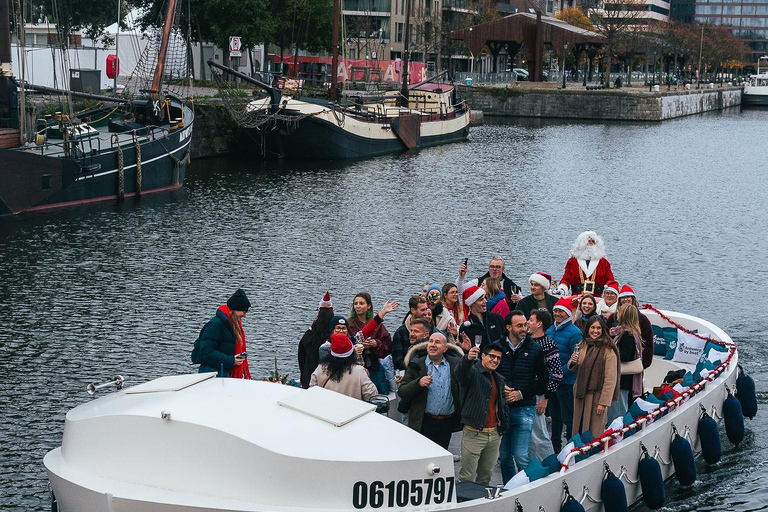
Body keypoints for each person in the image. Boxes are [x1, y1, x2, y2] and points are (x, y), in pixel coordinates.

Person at [496, 311, 548, 483]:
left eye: (525, 325)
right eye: (519, 326)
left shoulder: (535, 349)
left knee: (521, 456)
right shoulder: (497, 348)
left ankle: (529, 487)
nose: (524, 329)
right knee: (504, 456)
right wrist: (501, 387)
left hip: (524, 407)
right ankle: (510, 487)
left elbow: (543, 380)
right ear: (508, 327)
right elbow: (488, 374)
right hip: (502, 410)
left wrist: (521, 394)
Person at [398, 332, 464, 448]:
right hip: (424, 421)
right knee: (423, 455)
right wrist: (418, 383)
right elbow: (402, 392)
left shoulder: (454, 364)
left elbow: (471, 373)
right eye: (431, 341)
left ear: (445, 348)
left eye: (437, 342)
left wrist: (469, 354)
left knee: (441, 455)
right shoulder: (417, 364)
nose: (433, 345)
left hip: (446, 422)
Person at [456, 342, 509, 486]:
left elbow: (501, 406)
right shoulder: (473, 372)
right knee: (466, 477)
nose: (495, 360)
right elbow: (460, 373)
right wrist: (467, 358)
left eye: (498, 358)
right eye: (492, 356)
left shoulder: (499, 378)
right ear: (483, 356)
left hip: (494, 434)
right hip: (474, 433)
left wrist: (503, 426)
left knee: (486, 477)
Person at [568, 316, 620, 436]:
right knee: (579, 427)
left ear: (603, 330)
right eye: (592, 327)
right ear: (588, 329)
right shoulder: (583, 344)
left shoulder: (608, 350)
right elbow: (574, 367)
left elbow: (610, 379)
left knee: (593, 431)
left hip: (596, 396)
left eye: (598, 328)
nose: (595, 331)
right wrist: (573, 361)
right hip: (581, 394)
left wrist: (603, 403)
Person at [546, 296, 583, 453]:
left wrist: (560, 372)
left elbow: (576, 361)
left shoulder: (575, 333)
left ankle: (572, 447)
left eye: (561, 311)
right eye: (556, 311)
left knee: (568, 417)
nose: (558, 314)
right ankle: (555, 448)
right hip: (551, 381)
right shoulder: (550, 330)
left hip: (566, 382)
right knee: (555, 416)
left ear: (568, 313)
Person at [526, 309, 562, 462]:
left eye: (531, 319)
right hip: (523, 393)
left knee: (539, 434)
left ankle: (550, 464)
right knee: (527, 434)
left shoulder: (548, 344)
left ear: (539, 324)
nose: (527, 322)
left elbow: (557, 374)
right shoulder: (525, 341)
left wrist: (545, 398)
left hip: (537, 396)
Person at [197, 289, 252, 378]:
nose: (244, 315)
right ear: (235, 309)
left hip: (223, 372)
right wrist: (231, 360)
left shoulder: (232, 325)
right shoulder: (216, 324)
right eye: (244, 312)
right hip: (211, 374)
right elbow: (205, 351)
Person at [606, 304, 644, 423]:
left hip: (622, 381)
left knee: (617, 413)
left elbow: (625, 356)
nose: (617, 314)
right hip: (625, 380)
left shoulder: (627, 335)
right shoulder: (631, 333)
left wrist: (609, 350)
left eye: (620, 312)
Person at [348, 292, 393, 394]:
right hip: (354, 367)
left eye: (361, 303)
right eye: (355, 304)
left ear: (368, 306)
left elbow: (388, 347)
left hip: (373, 367)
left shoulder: (378, 326)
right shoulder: (349, 325)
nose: (358, 306)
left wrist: (376, 344)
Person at [310, 333, 378, 401]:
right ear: (351, 353)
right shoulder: (359, 371)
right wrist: (367, 376)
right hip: (353, 410)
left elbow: (312, 392)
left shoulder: (320, 368)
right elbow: (372, 395)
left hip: (326, 409)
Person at [558, 231, 615, 296]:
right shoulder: (572, 261)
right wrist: (562, 289)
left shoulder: (603, 262)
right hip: (576, 298)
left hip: (598, 299)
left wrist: (610, 291)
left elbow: (610, 281)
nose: (591, 243)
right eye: (588, 241)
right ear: (582, 244)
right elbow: (566, 279)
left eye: (593, 241)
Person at [298, 291, 335, 388]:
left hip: (309, 377)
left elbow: (301, 357)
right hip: (329, 381)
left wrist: (303, 373)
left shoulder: (309, 335)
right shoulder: (333, 338)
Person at [618, 285, 654, 369]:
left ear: (633, 299)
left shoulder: (643, 320)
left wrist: (643, 364)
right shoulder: (613, 318)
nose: (625, 299)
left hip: (633, 364)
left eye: (628, 297)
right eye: (623, 297)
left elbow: (648, 343)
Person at [391, 295, 429, 370]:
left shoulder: (432, 328)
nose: (425, 313)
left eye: (426, 309)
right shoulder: (401, 333)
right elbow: (398, 361)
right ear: (413, 310)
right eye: (422, 310)